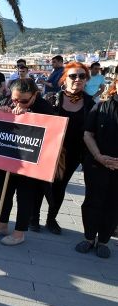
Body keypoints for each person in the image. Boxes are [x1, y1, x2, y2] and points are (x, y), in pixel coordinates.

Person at [0, 78, 53, 246]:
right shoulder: (6, 101)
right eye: (15, 99)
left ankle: (19, 232)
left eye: (24, 100)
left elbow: (53, 132)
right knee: (4, 192)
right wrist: (0, 112)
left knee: (25, 195)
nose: (19, 103)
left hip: (30, 161)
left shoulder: (45, 107)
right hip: (7, 156)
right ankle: (1, 225)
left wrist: (29, 116)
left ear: (35, 95)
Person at [31, 62, 95, 235]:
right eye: (73, 76)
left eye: (82, 76)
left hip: (72, 154)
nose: (78, 79)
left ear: (86, 80)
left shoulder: (90, 103)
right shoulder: (52, 98)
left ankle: (51, 219)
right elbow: (35, 120)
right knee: (39, 185)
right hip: (47, 150)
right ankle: (33, 218)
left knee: (59, 187)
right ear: (64, 79)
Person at [77, 79, 118, 258]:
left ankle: (104, 241)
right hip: (96, 164)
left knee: (114, 204)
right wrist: (99, 156)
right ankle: (89, 237)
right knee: (92, 200)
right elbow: (88, 134)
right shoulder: (101, 107)